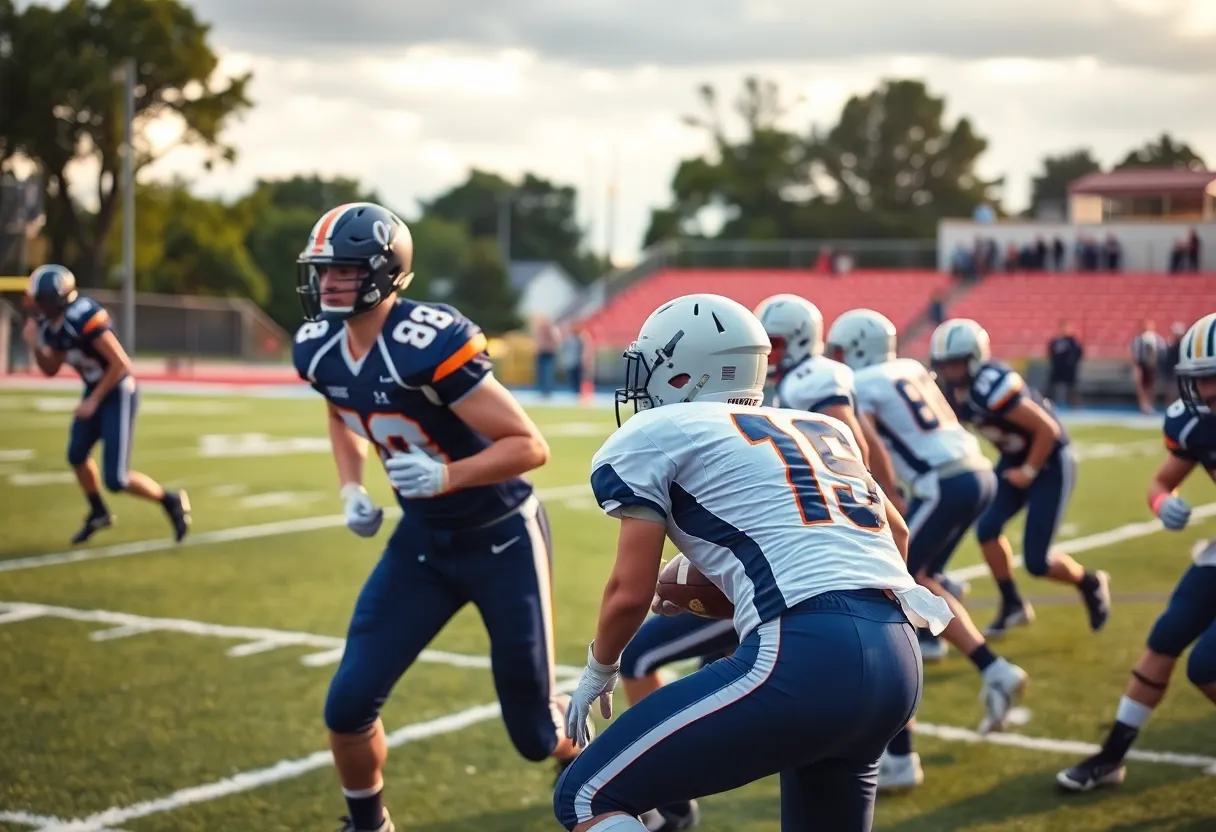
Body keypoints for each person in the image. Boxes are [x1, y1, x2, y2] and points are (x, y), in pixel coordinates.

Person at [554, 293, 952, 832]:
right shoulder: (820, 428)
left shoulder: (656, 433)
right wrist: (729, 594)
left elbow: (629, 590)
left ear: (682, 372)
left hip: (807, 656)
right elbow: (895, 536)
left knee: (586, 798)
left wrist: (600, 668)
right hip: (897, 660)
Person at [291, 202, 583, 832]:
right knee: (347, 706)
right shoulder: (318, 348)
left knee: (534, 734)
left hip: (500, 537)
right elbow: (340, 409)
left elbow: (529, 446)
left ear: (383, 272)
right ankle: (368, 824)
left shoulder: (424, 341)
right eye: (322, 271)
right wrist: (350, 485)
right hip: (422, 541)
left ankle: (587, 756)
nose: (327, 284)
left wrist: (447, 475)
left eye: (342, 271)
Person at [827, 309, 1027, 792]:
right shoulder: (911, 368)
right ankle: (993, 668)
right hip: (975, 472)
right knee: (922, 578)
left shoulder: (864, 384)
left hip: (942, 483)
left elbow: (867, 443)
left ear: (854, 348)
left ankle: (899, 756)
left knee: (886, 592)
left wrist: (881, 495)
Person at [1057, 313, 1216, 792]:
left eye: (1215, 379)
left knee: (1206, 666)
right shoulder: (1195, 424)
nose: (1206, 392)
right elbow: (1160, 482)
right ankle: (1112, 757)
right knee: (1165, 638)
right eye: (1201, 380)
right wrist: (1162, 503)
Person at [929, 318, 1111, 638]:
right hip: (1013, 458)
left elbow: (1048, 430)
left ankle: (1090, 582)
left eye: (956, 363)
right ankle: (1013, 603)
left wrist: (1029, 471)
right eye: (945, 365)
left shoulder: (991, 385)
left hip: (1049, 461)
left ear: (974, 358)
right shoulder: (951, 390)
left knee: (1037, 562)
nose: (950, 372)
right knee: (986, 530)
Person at [20, 264, 190, 545]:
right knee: (76, 454)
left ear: (56, 299)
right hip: (95, 390)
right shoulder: (48, 325)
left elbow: (121, 363)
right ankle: (98, 512)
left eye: (41, 300)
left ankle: (169, 500)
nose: (36, 306)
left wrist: (94, 401)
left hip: (118, 390)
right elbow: (50, 368)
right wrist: (36, 345)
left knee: (116, 479)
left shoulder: (81, 315)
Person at [1131, 320, 1167, 415]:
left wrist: (1152, 362)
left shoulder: (1152, 338)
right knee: (1143, 387)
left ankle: (1149, 406)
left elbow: (1157, 350)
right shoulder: (1140, 338)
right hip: (1142, 365)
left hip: (1149, 366)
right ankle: (1144, 406)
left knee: (1150, 387)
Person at [1046, 319, 1084, 408]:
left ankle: (1075, 405)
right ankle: (1047, 404)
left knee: (1071, 388)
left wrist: (1072, 362)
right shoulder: (1055, 341)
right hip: (1057, 368)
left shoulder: (1072, 341)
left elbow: (1078, 352)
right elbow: (1051, 352)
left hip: (1069, 370)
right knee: (1051, 387)